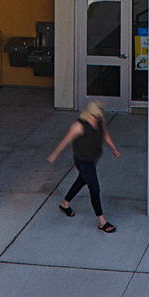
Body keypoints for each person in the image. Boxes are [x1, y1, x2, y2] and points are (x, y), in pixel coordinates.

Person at [47, 99, 120, 232]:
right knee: (94, 189)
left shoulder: (99, 121)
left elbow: (105, 134)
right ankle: (102, 221)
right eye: (95, 115)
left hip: (93, 159)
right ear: (88, 113)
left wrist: (114, 148)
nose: (97, 118)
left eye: (98, 115)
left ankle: (65, 203)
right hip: (83, 161)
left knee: (81, 181)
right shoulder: (79, 126)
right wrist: (55, 154)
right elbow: (66, 140)